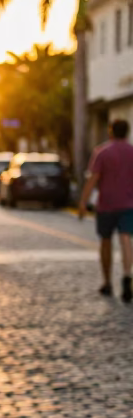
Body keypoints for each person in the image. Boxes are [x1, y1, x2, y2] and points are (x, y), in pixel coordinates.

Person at [79, 117, 133, 301]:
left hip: (106, 204)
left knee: (106, 241)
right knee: (126, 238)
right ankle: (127, 275)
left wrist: (83, 202)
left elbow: (92, 179)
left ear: (110, 131)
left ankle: (107, 282)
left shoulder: (102, 152)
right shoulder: (132, 152)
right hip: (128, 204)